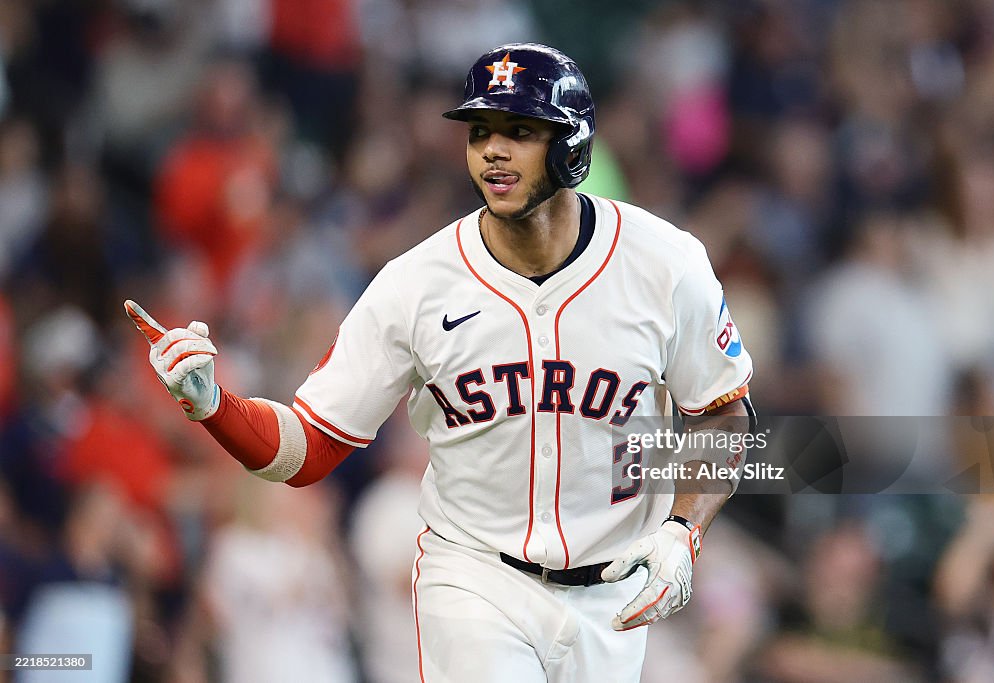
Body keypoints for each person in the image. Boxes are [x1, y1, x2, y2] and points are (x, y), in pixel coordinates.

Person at [126, 43, 754, 682]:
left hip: (611, 594)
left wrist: (683, 531)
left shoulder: (665, 263)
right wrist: (214, 407)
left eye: (519, 131)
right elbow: (307, 448)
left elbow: (724, 412)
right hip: (475, 580)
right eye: (480, 131)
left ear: (573, 145)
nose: (493, 151)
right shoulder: (416, 284)